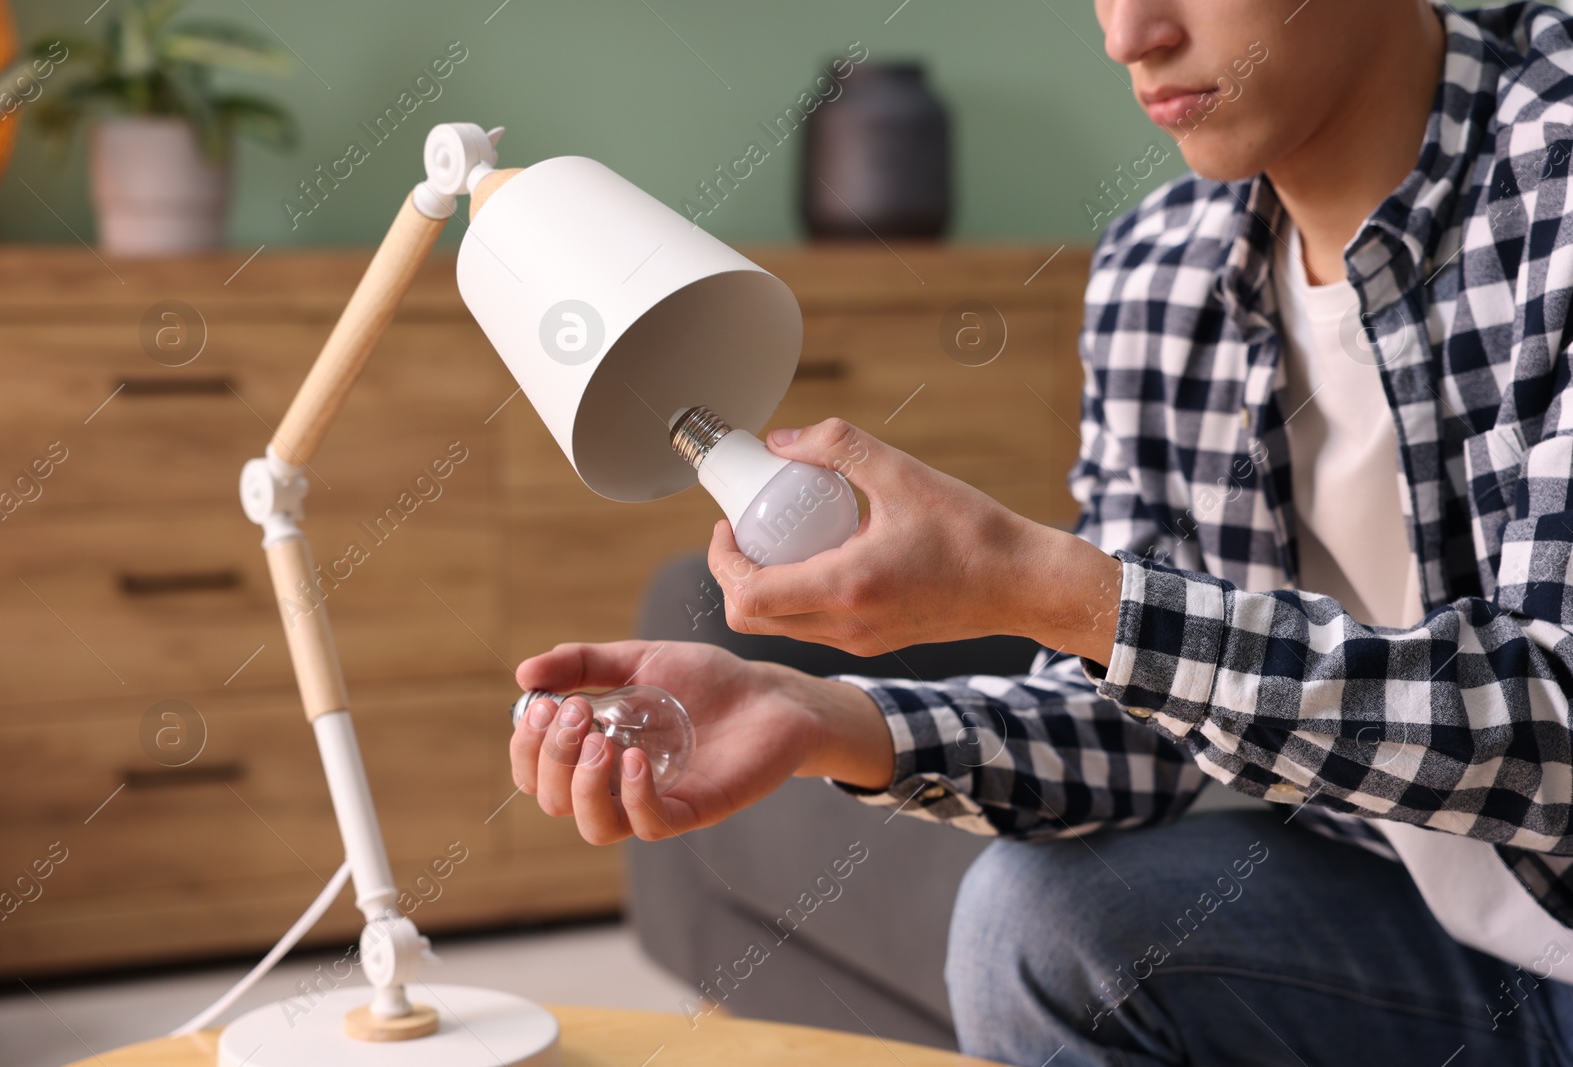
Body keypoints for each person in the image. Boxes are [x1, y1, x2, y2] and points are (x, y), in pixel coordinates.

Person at [510, 1, 1573, 1062]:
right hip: (1442, 936)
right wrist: (817, 714)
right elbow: (1139, 738)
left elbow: (1556, 728)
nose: (1128, 36)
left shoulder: (1551, 175)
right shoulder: (1159, 272)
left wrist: (1048, 585)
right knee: (1040, 920)